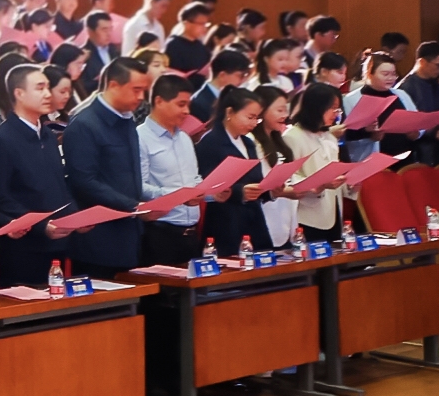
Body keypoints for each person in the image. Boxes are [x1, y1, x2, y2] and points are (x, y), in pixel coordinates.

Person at [0, 62, 75, 287]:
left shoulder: (48, 135)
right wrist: (41, 226)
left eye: (48, 87)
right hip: (23, 248)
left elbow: (58, 185)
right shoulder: (1, 140)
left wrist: (74, 216)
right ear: (19, 94)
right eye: (40, 88)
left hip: (58, 243)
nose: (47, 94)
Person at [62, 59, 151, 277]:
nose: (141, 97)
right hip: (98, 238)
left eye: (144, 90)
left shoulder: (127, 119)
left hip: (129, 232)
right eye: (136, 90)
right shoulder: (85, 124)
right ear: (113, 85)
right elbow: (84, 181)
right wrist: (132, 205)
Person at [135, 73, 206, 267]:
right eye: (181, 104)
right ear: (159, 101)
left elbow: (193, 178)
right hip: (160, 232)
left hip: (191, 233)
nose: (186, 111)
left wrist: (210, 193)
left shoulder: (184, 138)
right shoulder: (140, 137)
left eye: (188, 105)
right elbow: (139, 187)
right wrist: (179, 196)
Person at [194, 87, 274, 255]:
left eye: (257, 118)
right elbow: (206, 183)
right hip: (225, 222)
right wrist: (240, 192)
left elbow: (256, 179)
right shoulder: (210, 142)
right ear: (229, 112)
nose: (254, 123)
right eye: (250, 117)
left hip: (254, 219)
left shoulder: (249, 143)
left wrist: (271, 189)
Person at [286, 84, 347, 243]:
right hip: (308, 213)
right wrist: (319, 185)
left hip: (332, 210)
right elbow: (289, 177)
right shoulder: (293, 137)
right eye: (332, 108)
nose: (336, 114)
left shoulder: (329, 136)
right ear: (316, 107)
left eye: (338, 109)